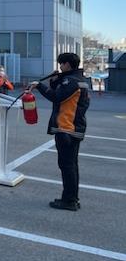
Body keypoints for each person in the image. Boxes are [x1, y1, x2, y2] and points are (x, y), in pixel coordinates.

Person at [30, 53, 89, 211]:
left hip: (66, 129)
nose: (60, 67)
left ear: (68, 64)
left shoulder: (71, 81)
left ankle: (69, 201)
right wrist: (55, 80)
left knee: (67, 166)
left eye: (61, 64)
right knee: (71, 165)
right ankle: (71, 198)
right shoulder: (79, 80)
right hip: (73, 128)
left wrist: (39, 86)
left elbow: (56, 96)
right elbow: (61, 92)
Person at [0, 65, 14, 137]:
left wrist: (6, 82)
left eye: (3, 71)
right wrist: (1, 80)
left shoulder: (5, 79)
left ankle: (2, 130)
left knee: (3, 116)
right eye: (0, 70)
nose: (2, 72)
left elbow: (11, 87)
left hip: (4, 100)